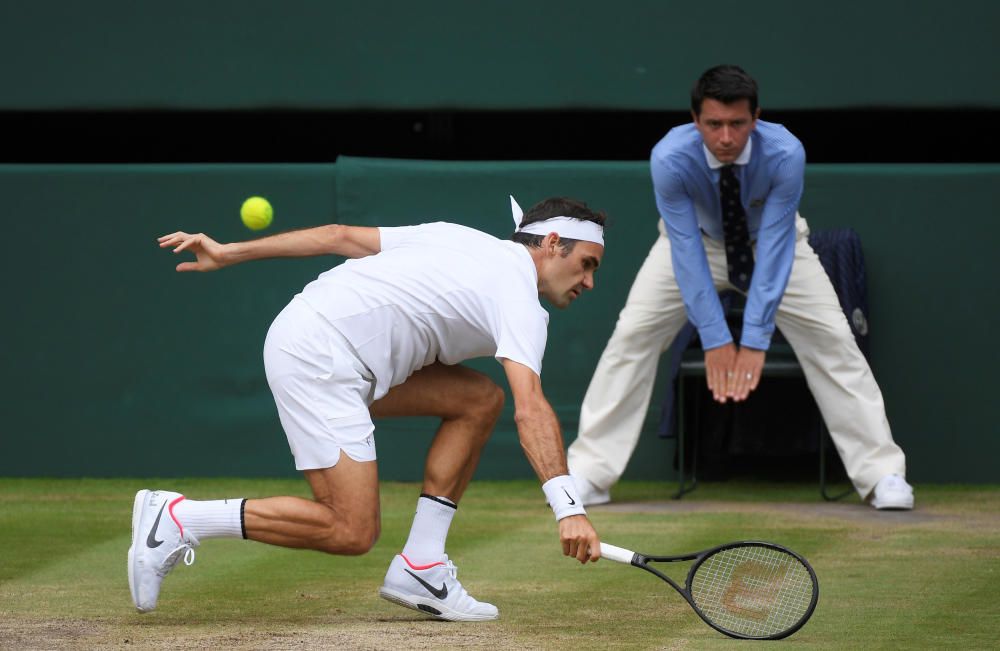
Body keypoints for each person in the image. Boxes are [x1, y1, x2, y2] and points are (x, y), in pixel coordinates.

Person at [130, 196, 606, 621]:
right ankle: (178, 519)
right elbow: (533, 410)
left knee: (478, 399)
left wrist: (229, 251)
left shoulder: (458, 237)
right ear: (552, 241)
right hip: (320, 357)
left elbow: (337, 236)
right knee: (350, 529)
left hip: (332, 348)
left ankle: (422, 566)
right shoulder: (518, 299)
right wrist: (569, 509)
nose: (587, 282)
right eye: (586, 264)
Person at [567, 65, 914, 511]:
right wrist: (716, 339)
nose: (726, 137)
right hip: (694, 244)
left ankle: (882, 474)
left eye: (737, 124)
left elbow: (774, 245)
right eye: (714, 124)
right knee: (631, 337)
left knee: (834, 340)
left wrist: (753, 340)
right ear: (696, 121)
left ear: (756, 119)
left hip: (776, 242)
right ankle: (590, 474)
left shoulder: (785, 152)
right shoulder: (669, 158)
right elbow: (686, 251)